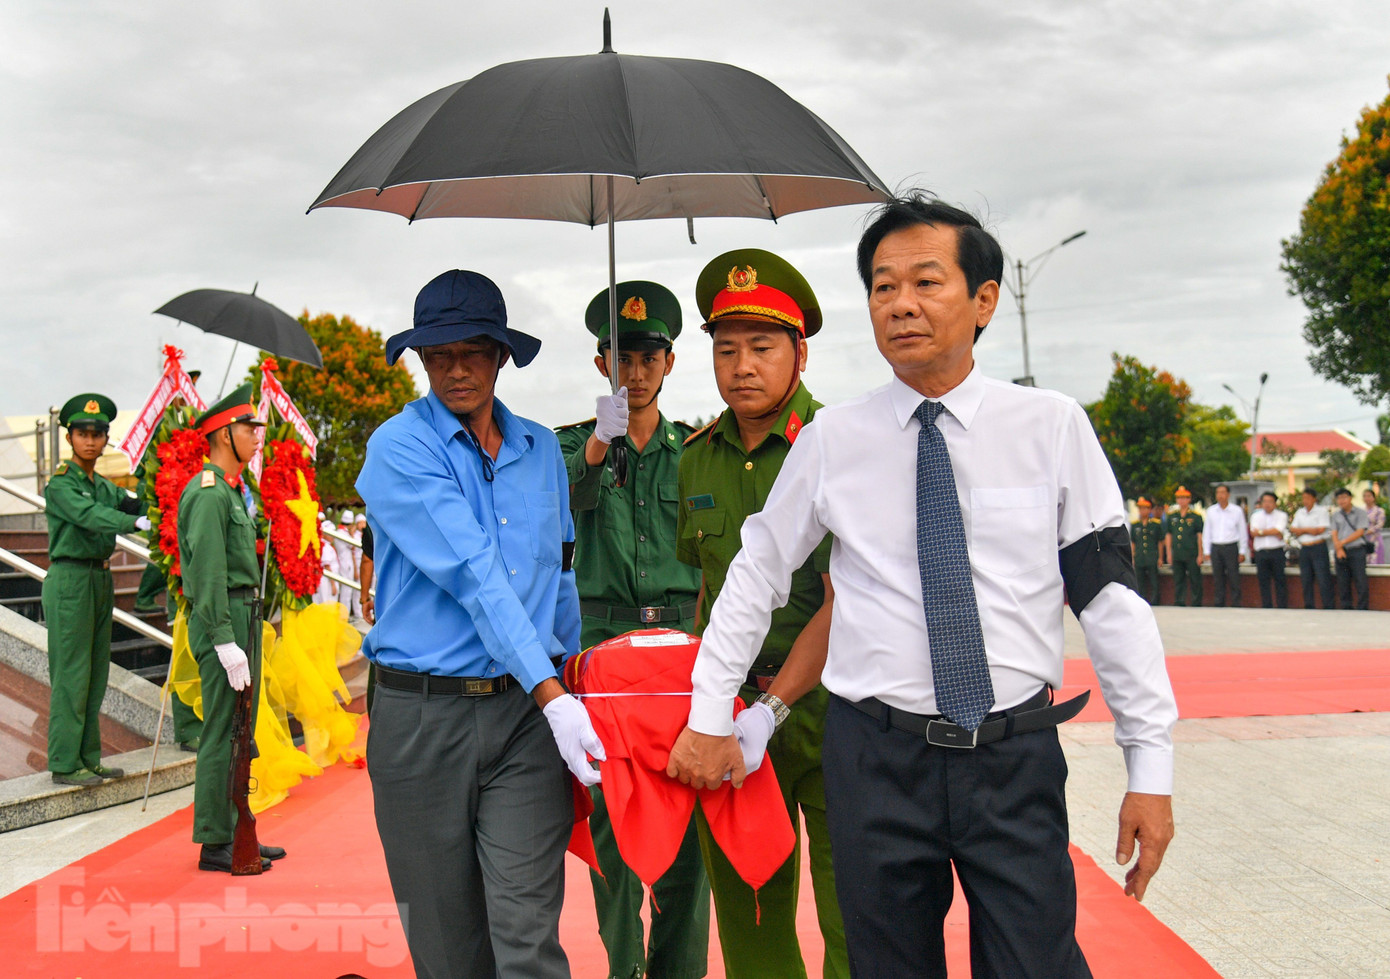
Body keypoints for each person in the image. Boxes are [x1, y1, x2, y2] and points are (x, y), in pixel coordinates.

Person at [668, 195, 1177, 979]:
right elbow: (756, 573)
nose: (901, 303)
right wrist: (709, 711)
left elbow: (1111, 603)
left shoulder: (1050, 426)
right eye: (881, 285)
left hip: (1012, 757)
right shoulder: (834, 439)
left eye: (925, 282)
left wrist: (1150, 768)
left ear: (982, 300)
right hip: (876, 758)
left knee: (1037, 964)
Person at [356, 269, 601, 979]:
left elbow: (559, 575)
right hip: (422, 718)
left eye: (473, 351)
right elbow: (475, 573)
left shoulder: (539, 454)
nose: (456, 369)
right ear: (421, 360)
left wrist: (573, 680)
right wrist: (553, 694)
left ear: (501, 355)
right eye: (439, 354)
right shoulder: (399, 448)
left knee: (528, 936)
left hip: (524, 718)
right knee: (449, 949)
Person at [671, 248, 846, 979]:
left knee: (858, 911)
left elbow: (848, 604)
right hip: (734, 713)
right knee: (750, 913)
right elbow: (710, 592)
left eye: (762, 347)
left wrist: (771, 706)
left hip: (837, 708)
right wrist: (703, 706)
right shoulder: (696, 457)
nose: (742, 365)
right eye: (726, 348)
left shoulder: (840, 445)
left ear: (800, 352)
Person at [555, 281, 709, 979]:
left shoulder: (698, 451)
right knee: (610, 827)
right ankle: (623, 969)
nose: (635, 370)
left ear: (671, 363)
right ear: (600, 366)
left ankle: (676, 969)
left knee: (687, 827)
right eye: (621, 356)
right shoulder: (572, 448)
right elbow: (554, 514)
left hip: (681, 656)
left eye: (650, 355)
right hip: (605, 655)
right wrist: (597, 444)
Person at [178, 383, 284, 873]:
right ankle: (216, 839)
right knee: (223, 731)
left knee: (242, 730)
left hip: (243, 616)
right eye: (249, 427)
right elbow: (206, 574)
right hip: (225, 620)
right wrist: (223, 639)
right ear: (223, 434)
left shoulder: (230, 492)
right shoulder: (208, 494)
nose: (257, 435)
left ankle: (235, 824)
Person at [43, 393, 151, 786]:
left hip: (99, 579)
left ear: (106, 439)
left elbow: (133, 504)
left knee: (95, 673)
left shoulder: (104, 486)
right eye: (82, 433)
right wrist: (133, 525)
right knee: (72, 673)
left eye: (98, 434)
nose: (90, 440)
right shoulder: (60, 485)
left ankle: (89, 757)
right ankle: (64, 762)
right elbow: (89, 516)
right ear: (69, 437)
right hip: (70, 579)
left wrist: (158, 499)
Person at [1203, 484, 1247, 607]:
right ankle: (1219, 602)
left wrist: (1242, 551)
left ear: (1228, 495)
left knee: (1234, 576)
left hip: (1231, 546)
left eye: (1223, 492)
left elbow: (1242, 531)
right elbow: (1207, 531)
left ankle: (1236, 602)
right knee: (1218, 577)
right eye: (1218, 493)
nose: (1220, 495)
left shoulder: (1236, 511)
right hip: (1216, 547)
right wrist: (1207, 551)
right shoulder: (1211, 511)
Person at [1291, 488, 1335, 609]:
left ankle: (1328, 606)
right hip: (1304, 548)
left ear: (1314, 499)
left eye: (1308, 498)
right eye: (1303, 498)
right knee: (1306, 579)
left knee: (1323, 578)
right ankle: (1309, 605)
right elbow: (1294, 529)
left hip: (1318, 547)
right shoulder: (1300, 512)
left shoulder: (1321, 511)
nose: (1305, 501)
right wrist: (1310, 530)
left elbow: (1320, 530)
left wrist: (1303, 530)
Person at [1329, 487, 1370, 610]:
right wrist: (1339, 548)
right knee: (1343, 581)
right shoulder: (1335, 515)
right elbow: (1334, 532)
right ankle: (1346, 606)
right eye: (1339, 498)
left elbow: (1360, 531)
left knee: (1360, 579)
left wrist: (1343, 542)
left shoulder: (1360, 513)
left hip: (1357, 550)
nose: (1342, 501)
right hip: (1341, 551)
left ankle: (1362, 607)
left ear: (1350, 498)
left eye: (1344, 498)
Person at [1249, 491, 1289, 609]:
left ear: (1275, 503)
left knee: (1280, 580)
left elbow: (1278, 530)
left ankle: (1282, 606)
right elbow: (1253, 533)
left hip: (1277, 551)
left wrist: (1261, 532)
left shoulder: (1281, 515)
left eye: (1270, 501)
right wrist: (1270, 532)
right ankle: (1267, 606)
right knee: (1263, 581)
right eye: (1264, 501)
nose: (1267, 504)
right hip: (1261, 552)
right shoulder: (1255, 516)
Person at [1166, 487, 1204, 607]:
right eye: (1179, 498)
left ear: (1189, 499)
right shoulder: (1172, 516)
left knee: (1195, 579)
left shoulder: (1195, 516)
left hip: (1191, 552)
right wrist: (1169, 553)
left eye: (1184, 498)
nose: (1181, 501)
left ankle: (1196, 602)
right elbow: (1169, 535)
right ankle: (1179, 601)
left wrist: (1200, 554)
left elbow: (1199, 536)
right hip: (1178, 552)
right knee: (1178, 579)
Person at [1130, 496, 1163, 605]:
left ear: (1149, 510)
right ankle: (1141, 600)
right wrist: (1132, 556)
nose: (1142, 511)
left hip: (1151, 555)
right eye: (1140, 508)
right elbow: (1133, 542)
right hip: (1140, 556)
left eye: (1145, 508)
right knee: (1140, 581)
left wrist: (1160, 557)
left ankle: (1155, 600)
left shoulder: (1155, 524)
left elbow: (1159, 542)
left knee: (1154, 580)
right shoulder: (1135, 525)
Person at [1363, 488, 1385, 564]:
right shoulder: (1361, 511)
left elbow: (1380, 524)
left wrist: (1370, 531)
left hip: (1375, 539)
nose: (1366, 498)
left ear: (1373, 498)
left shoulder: (1379, 511)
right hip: (1363, 539)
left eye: (1369, 496)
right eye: (1365, 496)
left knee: (1375, 560)